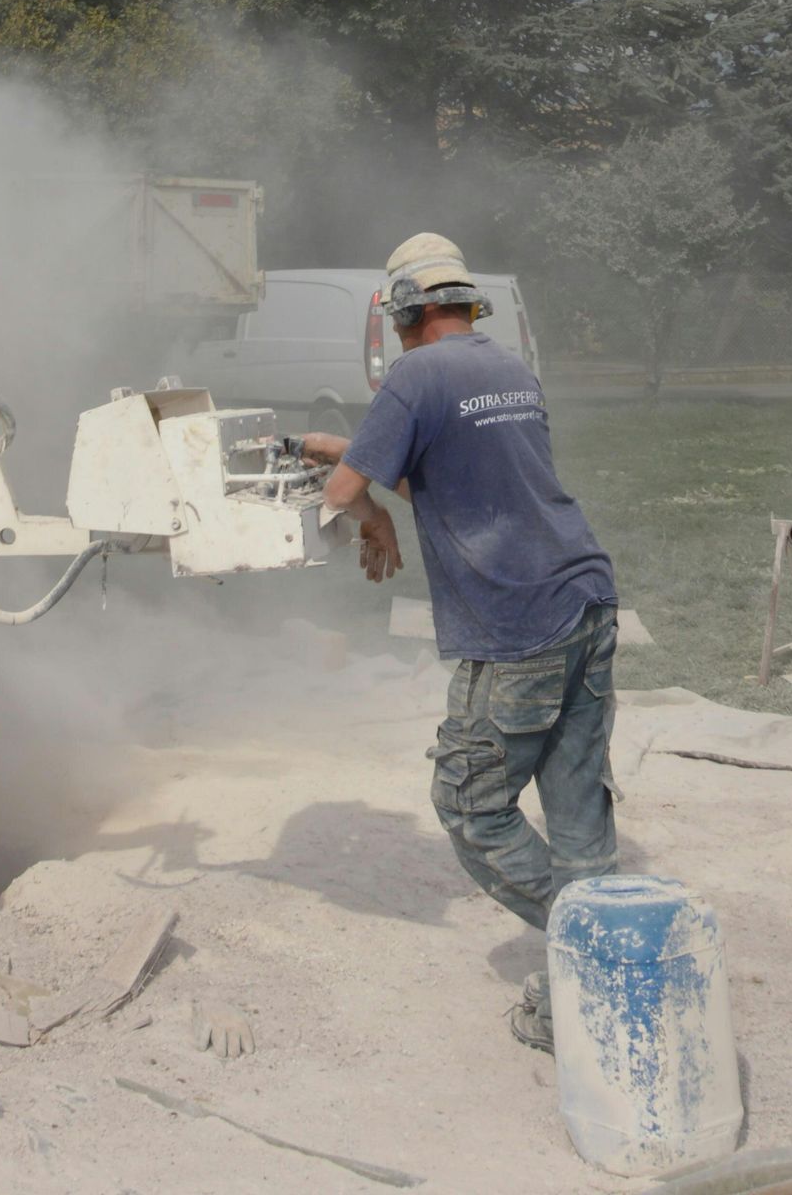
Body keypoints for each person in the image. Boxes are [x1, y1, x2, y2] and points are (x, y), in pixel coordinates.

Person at [300, 232, 618, 1052]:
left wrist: (356, 492)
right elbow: (459, 479)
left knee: (471, 807)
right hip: (586, 600)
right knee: (577, 814)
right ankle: (577, 1006)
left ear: (404, 310)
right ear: (467, 304)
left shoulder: (413, 374)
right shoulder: (510, 370)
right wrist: (359, 457)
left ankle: (605, 946)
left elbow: (338, 497)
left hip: (515, 625)